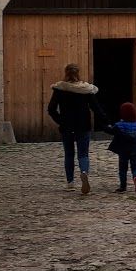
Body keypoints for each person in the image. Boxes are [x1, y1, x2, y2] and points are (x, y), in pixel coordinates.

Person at [47, 63, 106, 194]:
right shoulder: (86, 90)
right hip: (83, 125)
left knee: (69, 154)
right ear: (78, 73)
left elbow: (51, 109)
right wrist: (105, 122)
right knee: (83, 154)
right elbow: (96, 108)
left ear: (66, 73)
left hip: (67, 125)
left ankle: (70, 183)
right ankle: (84, 172)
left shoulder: (60, 89)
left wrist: (60, 121)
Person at [105, 102, 136, 194]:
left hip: (123, 149)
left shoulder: (119, 125)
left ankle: (123, 186)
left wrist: (105, 126)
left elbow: (111, 131)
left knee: (123, 168)